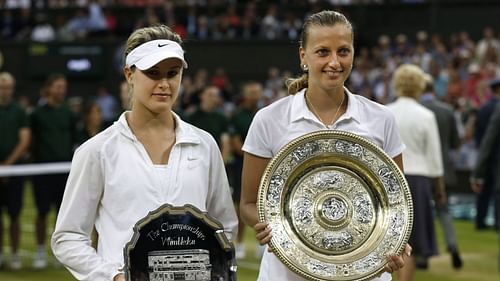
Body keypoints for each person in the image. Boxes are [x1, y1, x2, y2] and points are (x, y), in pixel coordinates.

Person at [51, 25, 238, 281]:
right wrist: (114, 276)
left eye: (172, 73)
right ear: (129, 74)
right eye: (152, 73)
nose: (164, 84)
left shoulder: (204, 145)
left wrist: (211, 269)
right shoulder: (97, 150)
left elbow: (223, 225)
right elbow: (68, 237)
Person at [240, 10, 411, 281]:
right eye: (323, 52)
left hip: (363, 273)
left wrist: (395, 242)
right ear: (303, 56)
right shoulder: (269, 119)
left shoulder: (382, 119)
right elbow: (249, 203)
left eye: (343, 51)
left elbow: (396, 205)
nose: (334, 62)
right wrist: (263, 226)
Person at [387, 64, 445, 281]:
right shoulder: (425, 116)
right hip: (417, 180)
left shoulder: (385, 111)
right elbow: (434, 156)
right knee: (412, 240)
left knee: (392, 237)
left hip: (390, 179)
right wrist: (440, 188)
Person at [30, 73, 77, 269]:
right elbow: (32, 142)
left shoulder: (69, 113)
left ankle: (60, 254)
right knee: (42, 212)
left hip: (64, 171)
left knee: (62, 215)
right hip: (42, 171)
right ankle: (40, 251)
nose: (61, 90)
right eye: (58, 86)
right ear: (49, 88)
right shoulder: (36, 114)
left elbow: (74, 140)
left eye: (63, 86)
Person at [420, 74, 463, 269]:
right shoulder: (447, 111)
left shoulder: (416, 111)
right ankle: (452, 245)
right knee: (444, 211)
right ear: (434, 90)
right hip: (443, 169)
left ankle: (423, 257)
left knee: (420, 213)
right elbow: (456, 143)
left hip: (420, 170)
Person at [228, 81, 264, 259]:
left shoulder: (264, 114)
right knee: (242, 204)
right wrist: (256, 156)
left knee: (264, 204)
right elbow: (235, 143)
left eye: (257, 92)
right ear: (245, 94)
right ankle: (240, 242)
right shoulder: (238, 116)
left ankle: (262, 243)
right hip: (241, 164)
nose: (255, 95)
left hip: (265, 166)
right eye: (252, 92)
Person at [0, 72, 31, 270]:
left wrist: (7, 166)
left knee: (14, 215)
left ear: (12, 89)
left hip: (15, 172)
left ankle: (14, 255)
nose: (4, 91)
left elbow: (25, 140)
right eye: (1, 87)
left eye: (7, 87)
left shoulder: (20, 112)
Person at [473, 78, 500, 230]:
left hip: (484, 154)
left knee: (483, 189)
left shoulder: (483, 108)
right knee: (497, 190)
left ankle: (480, 220)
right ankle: (497, 222)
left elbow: (479, 133)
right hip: (495, 155)